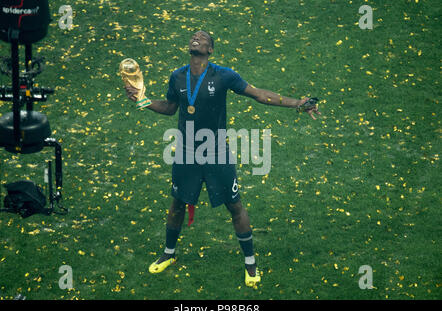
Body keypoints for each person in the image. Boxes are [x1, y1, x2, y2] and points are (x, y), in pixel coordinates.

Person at [125, 30, 320, 288]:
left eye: (203, 37)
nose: (196, 38)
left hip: (216, 151)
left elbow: (259, 94)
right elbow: (171, 108)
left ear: (211, 50)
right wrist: (142, 100)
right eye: (193, 36)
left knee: (235, 205)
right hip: (186, 152)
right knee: (177, 204)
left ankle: (250, 263)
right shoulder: (177, 76)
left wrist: (298, 102)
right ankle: (168, 254)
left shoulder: (224, 75)